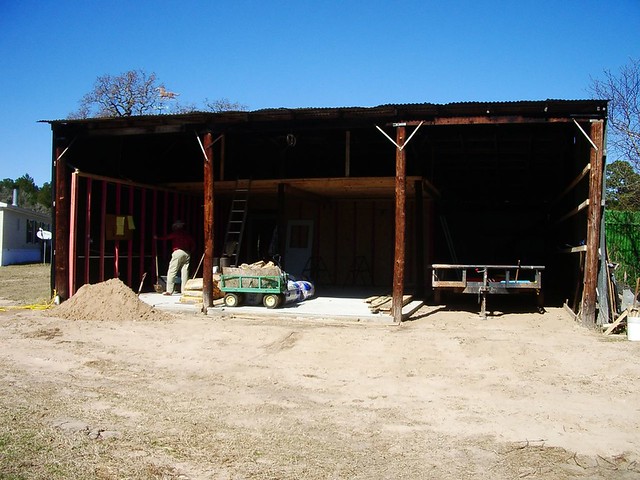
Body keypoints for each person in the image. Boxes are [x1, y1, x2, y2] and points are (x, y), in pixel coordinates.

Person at [154, 220, 196, 295]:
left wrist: (157, 238)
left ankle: (169, 290)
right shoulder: (186, 234)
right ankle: (184, 291)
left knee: (172, 271)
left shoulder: (176, 233)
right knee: (185, 273)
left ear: (176, 227)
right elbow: (193, 244)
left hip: (178, 252)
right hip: (187, 253)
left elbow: (166, 238)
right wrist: (190, 252)